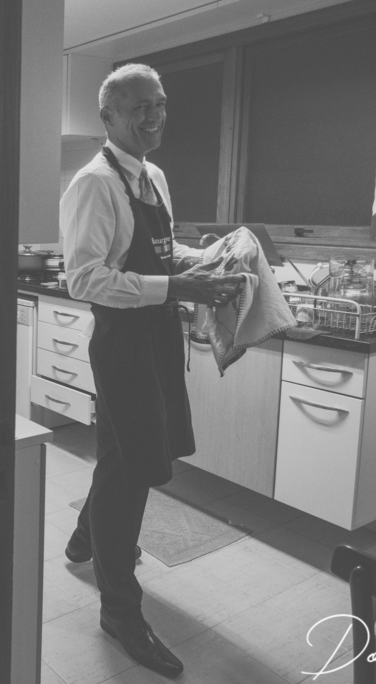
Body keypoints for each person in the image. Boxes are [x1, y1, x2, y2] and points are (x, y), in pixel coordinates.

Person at [59, 63, 242, 678]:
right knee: (134, 469)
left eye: (159, 103)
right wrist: (178, 286)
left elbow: (161, 251)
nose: (153, 115)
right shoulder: (93, 184)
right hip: (121, 342)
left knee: (123, 452)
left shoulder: (153, 176)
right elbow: (85, 278)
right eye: (138, 106)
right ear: (108, 117)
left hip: (158, 335)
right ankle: (120, 612)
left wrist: (208, 258)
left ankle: (84, 540)